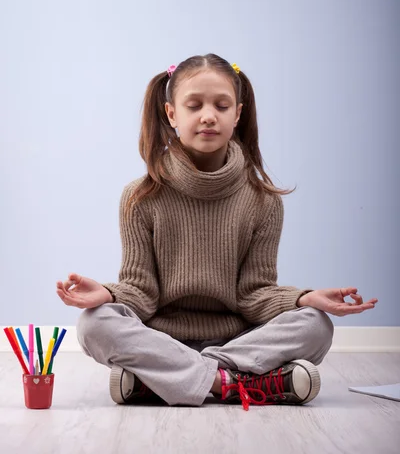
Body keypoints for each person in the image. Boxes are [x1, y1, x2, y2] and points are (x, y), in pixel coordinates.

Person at [56, 53, 378, 411]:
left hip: (238, 340)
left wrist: (304, 299)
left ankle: (161, 381)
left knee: (316, 325)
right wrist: (107, 293)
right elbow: (141, 293)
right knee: (94, 323)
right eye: (194, 105)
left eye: (221, 106)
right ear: (172, 114)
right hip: (162, 339)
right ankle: (235, 383)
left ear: (237, 114)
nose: (208, 115)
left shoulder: (263, 201)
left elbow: (253, 295)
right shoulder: (140, 196)